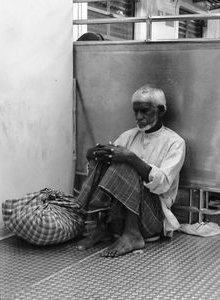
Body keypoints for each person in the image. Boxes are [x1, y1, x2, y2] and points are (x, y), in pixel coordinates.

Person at [76, 84, 186, 257]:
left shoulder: (175, 142)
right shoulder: (128, 136)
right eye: (135, 111)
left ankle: (132, 234)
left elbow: (163, 184)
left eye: (144, 111)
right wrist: (93, 154)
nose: (138, 117)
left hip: (152, 218)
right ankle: (100, 226)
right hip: (118, 215)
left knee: (125, 162)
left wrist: (131, 158)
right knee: (106, 158)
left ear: (161, 111)